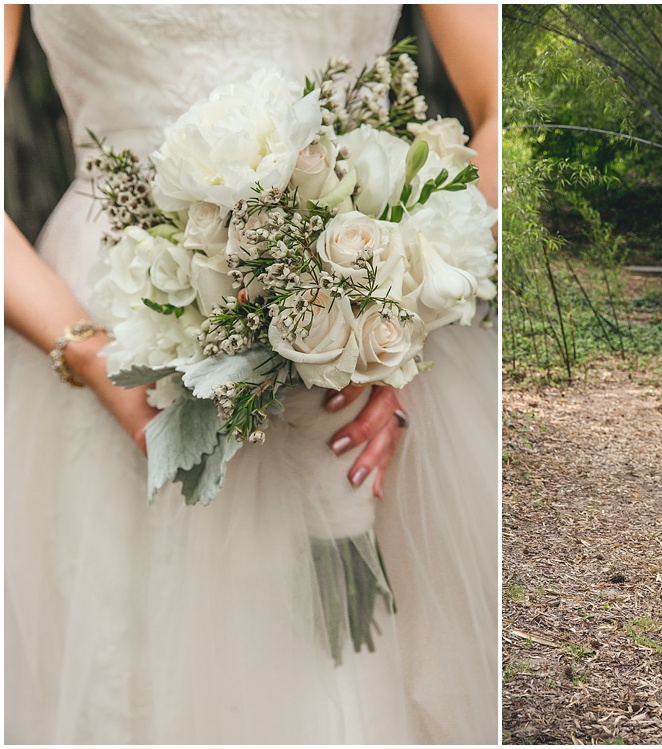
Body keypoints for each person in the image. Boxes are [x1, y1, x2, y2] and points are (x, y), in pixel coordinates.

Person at [4, 5, 498, 743]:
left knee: (339, 671)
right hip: (108, 318)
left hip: (355, 307)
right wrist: (90, 352)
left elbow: (502, 106)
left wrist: (402, 311)